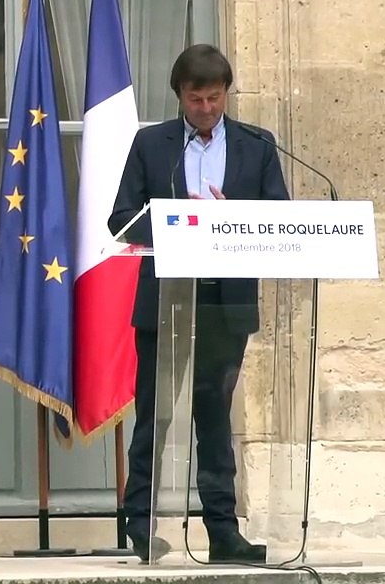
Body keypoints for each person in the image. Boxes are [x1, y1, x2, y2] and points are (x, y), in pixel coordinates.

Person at [108, 44, 288, 564]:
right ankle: (140, 524)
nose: (205, 108)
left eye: (214, 98)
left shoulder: (257, 144)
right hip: (167, 299)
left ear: (226, 93)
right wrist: (178, 219)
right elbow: (120, 218)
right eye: (195, 99)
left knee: (214, 419)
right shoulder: (152, 144)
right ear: (179, 96)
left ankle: (223, 532)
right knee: (156, 415)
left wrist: (233, 217)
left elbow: (277, 216)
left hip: (225, 303)